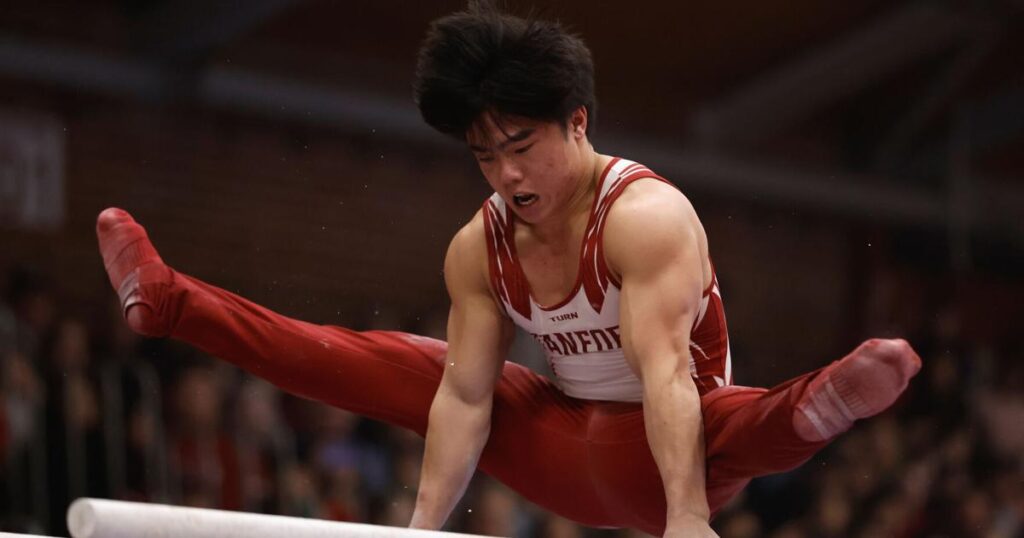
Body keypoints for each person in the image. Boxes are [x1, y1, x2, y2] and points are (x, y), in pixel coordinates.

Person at [95, 4, 921, 536]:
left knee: (735, 420)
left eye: (521, 147)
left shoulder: (644, 219)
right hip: (555, 445)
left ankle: (825, 401)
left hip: (670, 456)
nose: (505, 175)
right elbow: (463, 399)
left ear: (578, 122)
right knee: (400, 364)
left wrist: (685, 518)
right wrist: (422, 530)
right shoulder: (478, 245)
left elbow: (668, 376)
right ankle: (173, 304)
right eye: (484, 154)